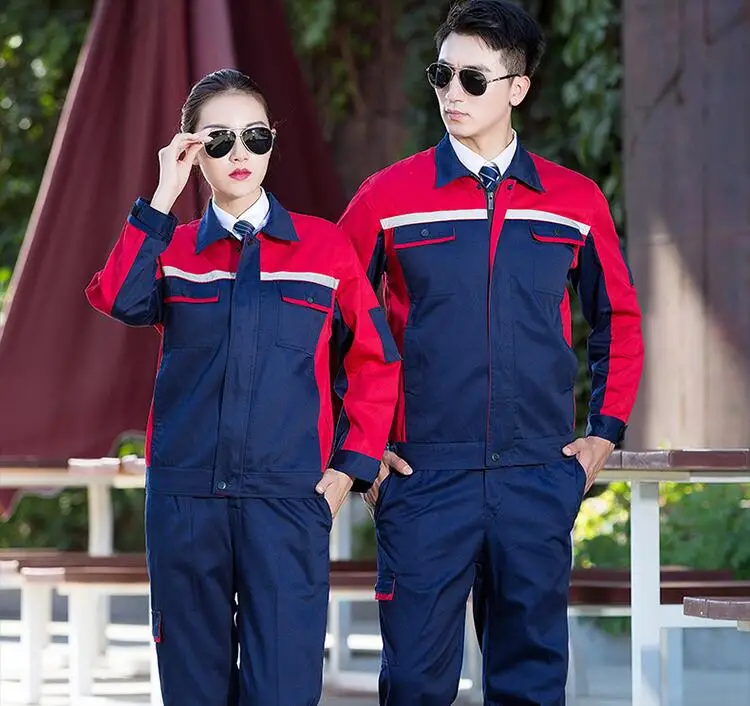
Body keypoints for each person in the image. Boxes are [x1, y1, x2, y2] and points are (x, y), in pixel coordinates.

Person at [338, 1, 645, 704]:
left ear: (518, 87)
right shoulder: (387, 197)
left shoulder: (573, 200)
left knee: (531, 686)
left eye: (473, 79)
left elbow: (619, 319)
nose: (452, 92)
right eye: (441, 74)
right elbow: (327, 321)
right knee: (414, 685)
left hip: (536, 475)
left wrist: (603, 433)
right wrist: (359, 450)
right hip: (421, 476)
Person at [86, 68, 400, 706]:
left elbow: (376, 360)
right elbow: (119, 298)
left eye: (255, 137)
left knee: (283, 688)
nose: (240, 153)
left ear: (272, 143)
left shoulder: (324, 248)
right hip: (185, 501)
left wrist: (351, 466)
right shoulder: (172, 248)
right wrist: (163, 193)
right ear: (192, 149)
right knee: (193, 689)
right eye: (219, 139)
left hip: (287, 501)